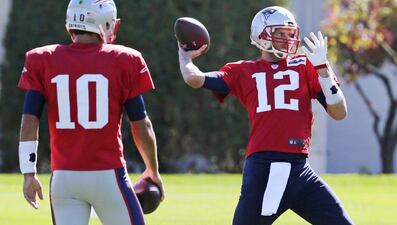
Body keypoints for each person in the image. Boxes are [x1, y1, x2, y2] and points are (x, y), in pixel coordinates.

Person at [178, 5, 353, 225]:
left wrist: (324, 71)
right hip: (265, 167)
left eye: (290, 34)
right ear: (261, 34)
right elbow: (195, 79)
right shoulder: (242, 70)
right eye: (280, 33)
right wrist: (185, 58)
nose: (287, 39)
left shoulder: (306, 66)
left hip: (300, 169)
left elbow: (339, 112)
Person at [17, 0, 164, 224]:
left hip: (64, 178)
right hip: (108, 174)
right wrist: (152, 170)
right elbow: (141, 125)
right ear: (105, 23)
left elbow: (29, 121)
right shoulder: (124, 59)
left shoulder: (43, 58)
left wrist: (29, 172)